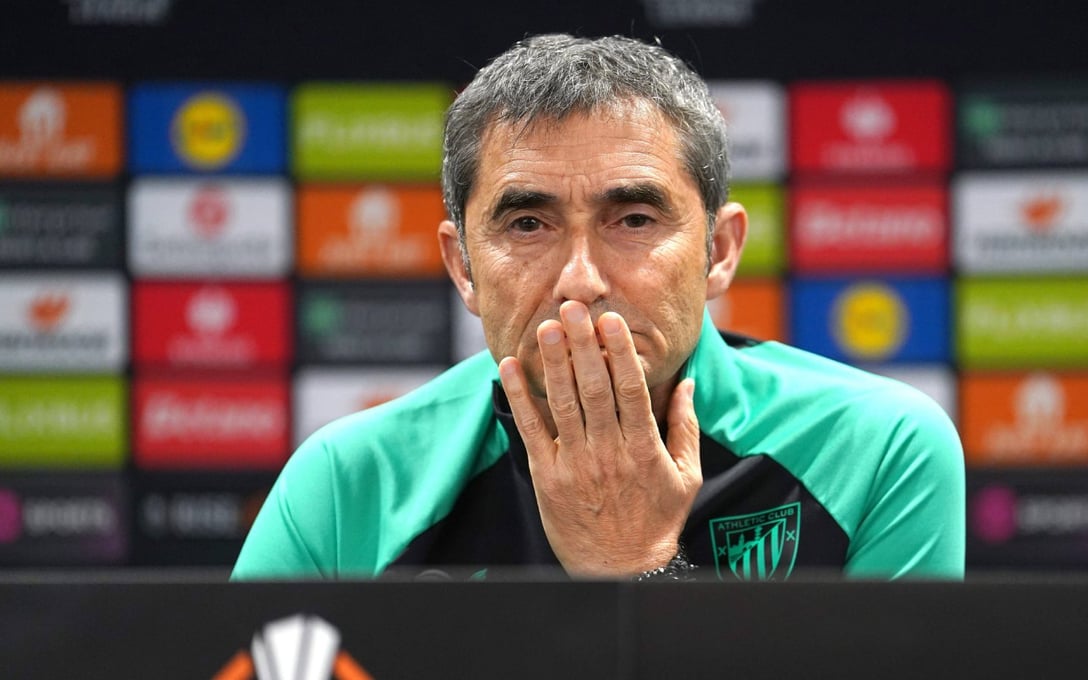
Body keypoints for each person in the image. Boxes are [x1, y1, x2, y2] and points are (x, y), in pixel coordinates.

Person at [232, 34, 964, 581]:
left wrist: (636, 567)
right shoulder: (348, 482)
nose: (579, 282)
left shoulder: (878, 450)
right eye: (528, 224)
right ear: (463, 267)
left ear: (718, 251)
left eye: (634, 220)